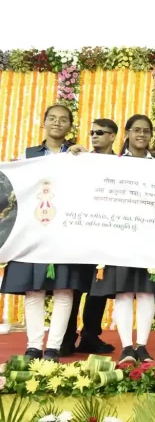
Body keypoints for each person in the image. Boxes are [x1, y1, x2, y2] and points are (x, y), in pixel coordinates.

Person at [0, 104, 91, 362]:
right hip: (33, 231)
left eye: (63, 120)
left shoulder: (77, 155)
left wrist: (84, 160)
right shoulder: (26, 155)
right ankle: (33, 346)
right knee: (33, 290)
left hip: (65, 233)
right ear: (43, 122)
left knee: (64, 290)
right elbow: (12, 187)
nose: (57, 123)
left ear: (70, 126)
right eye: (52, 118)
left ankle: (53, 347)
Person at [89, 115, 155, 363]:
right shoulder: (114, 163)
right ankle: (127, 347)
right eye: (136, 130)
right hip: (120, 236)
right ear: (126, 134)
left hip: (150, 237)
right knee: (124, 292)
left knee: (147, 292)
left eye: (146, 131)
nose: (141, 135)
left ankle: (143, 346)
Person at [60, 118, 119, 357]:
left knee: (99, 289)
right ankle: (65, 338)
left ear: (113, 136)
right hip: (81, 232)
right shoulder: (79, 158)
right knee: (75, 287)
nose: (94, 136)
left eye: (100, 132)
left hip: (108, 233)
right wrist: (70, 155)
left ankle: (90, 337)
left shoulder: (123, 163)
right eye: (92, 132)